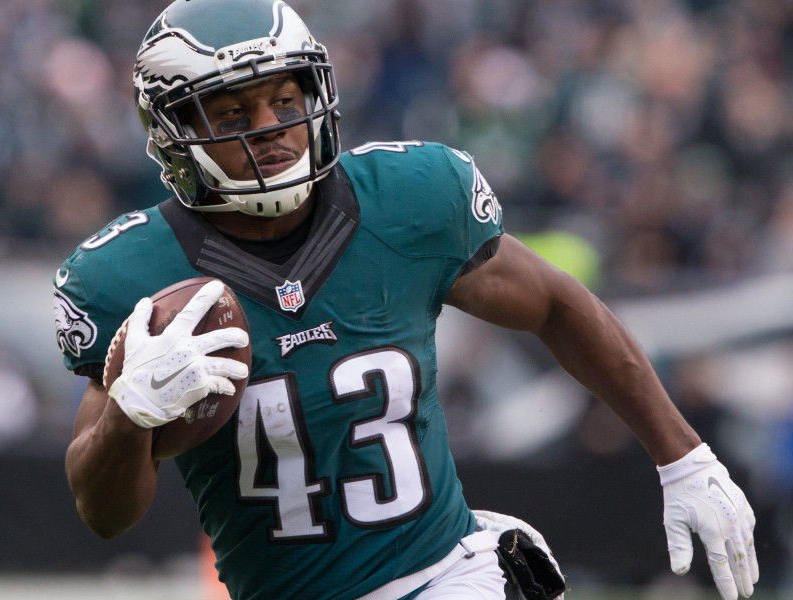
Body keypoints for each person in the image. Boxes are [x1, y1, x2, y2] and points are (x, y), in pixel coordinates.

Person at [54, 1, 758, 599]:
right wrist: (128, 416)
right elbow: (105, 514)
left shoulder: (407, 201)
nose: (270, 127)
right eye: (234, 110)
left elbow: (557, 305)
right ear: (175, 131)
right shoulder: (131, 278)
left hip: (443, 575)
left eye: (285, 99)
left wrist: (685, 456)